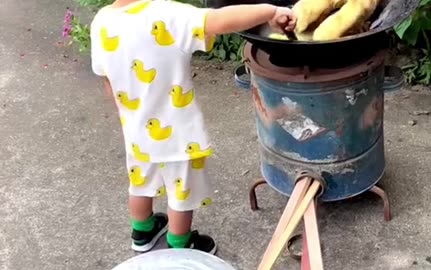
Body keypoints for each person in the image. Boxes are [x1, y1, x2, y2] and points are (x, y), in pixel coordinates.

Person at [89, 0, 296, 255]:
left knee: (141, 182)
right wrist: (270, 12)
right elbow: (220, 20)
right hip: (179, 134)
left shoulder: (102, 21)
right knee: (181, 192)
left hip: (135, 130)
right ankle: (181, 242)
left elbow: (107, 81)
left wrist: (130, 114)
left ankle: (142, 231)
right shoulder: (167, 15)